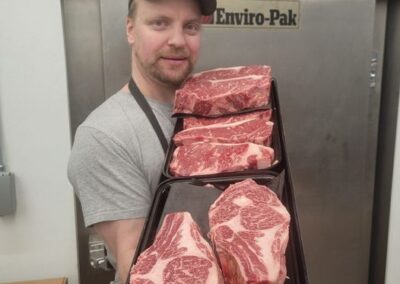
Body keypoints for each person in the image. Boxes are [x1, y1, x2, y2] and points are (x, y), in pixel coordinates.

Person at [67, 0, 216, 283]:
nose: (177, 40)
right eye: (159, 23)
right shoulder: (104, 136)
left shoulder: (208, 107)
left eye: (191, 26)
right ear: (130, 29)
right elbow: (140, 268)